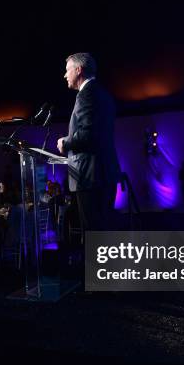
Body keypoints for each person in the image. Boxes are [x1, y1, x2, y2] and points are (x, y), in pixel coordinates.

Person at [57, 52, 120, 231]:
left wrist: (65, 142)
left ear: (78, 70)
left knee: (93, 232)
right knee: (103, 231)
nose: (65, 75)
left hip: (89, 175)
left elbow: (88, 134)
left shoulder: (86, 94)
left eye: (67, 70)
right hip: (104, 173)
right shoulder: (103, 94)